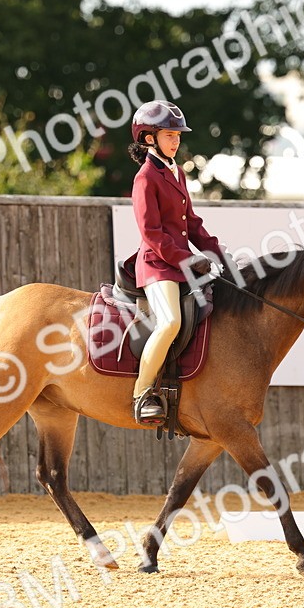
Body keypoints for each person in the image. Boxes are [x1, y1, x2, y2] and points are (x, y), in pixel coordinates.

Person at [127, 100, 224, 423]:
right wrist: (188, 259)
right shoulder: (145, 177)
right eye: (170, 135)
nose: (176, 141)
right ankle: (142, 393)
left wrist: (217, 254)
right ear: (149, 138)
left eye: (178, 136)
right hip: (157, 266)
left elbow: (191, 223)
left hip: (181, 265)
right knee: (170, 322)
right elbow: (152, 234)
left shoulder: (177, 172)